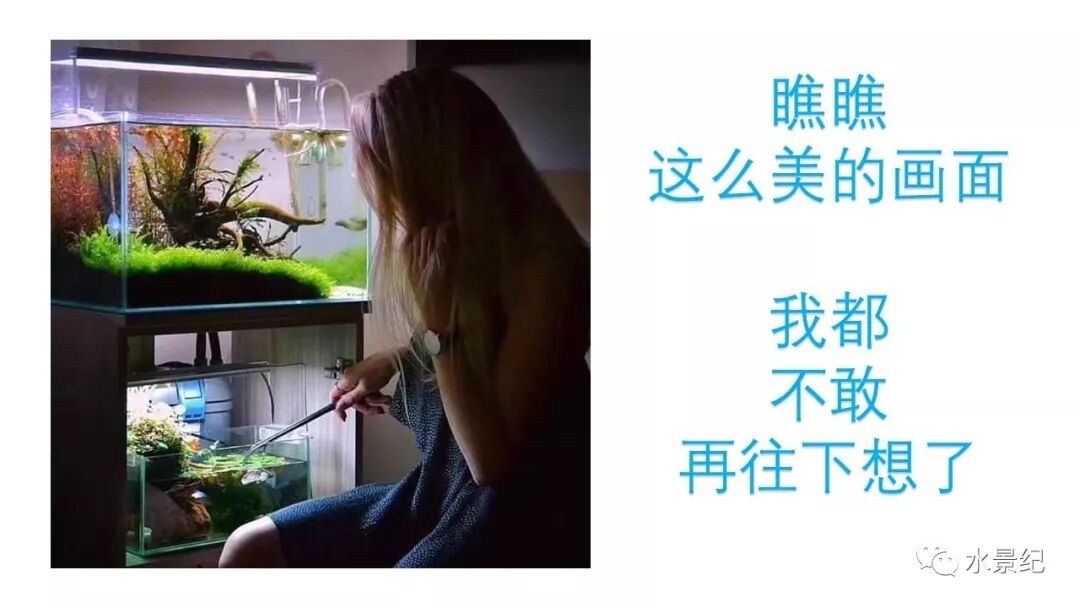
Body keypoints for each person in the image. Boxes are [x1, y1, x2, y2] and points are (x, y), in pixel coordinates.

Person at [219, 68, 590, 567]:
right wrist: (396, 359)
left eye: (370, 162)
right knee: (249, 547)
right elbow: (473, 348)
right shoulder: (449, 244)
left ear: (419, 167)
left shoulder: (550, 268)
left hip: (514, 514)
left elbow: (491, 465)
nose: (362, 178)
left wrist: (435, 327)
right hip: (436, 491)